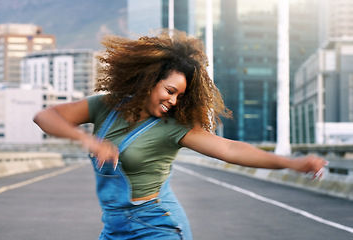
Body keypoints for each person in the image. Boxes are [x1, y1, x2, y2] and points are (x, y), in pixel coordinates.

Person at [33, 30, 328, 240]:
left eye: (179, 96)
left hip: (155, 226)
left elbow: (231, 150)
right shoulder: (105, 107)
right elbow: (45, 116)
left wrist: (293, 163)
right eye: (170, 91)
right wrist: (89, 140)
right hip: (114, 228)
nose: (173, 101)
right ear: (148, 81)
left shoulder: (174, 127)